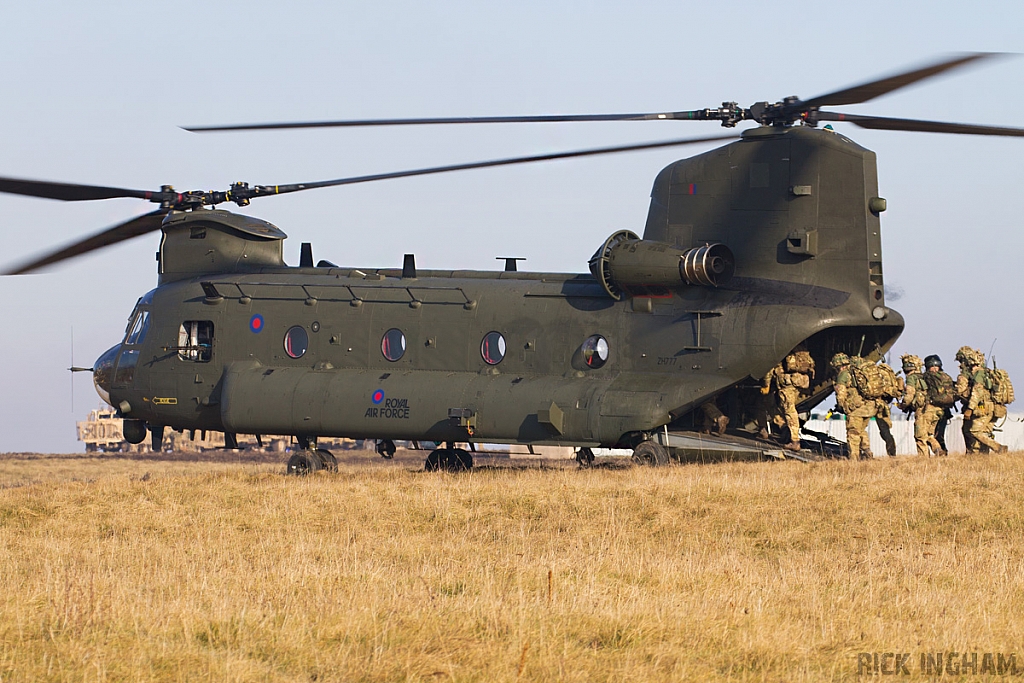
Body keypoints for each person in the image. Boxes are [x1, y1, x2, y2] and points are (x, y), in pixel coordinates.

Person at [761, 349, 815, 452]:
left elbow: (770, 369)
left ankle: (794, 441)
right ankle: (784, 427)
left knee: (789, 411)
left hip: (787, 384)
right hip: (799, 382)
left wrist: (766, 384)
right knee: (787, 408)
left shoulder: (780, 351)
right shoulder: (799, 350)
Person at [899, 354, 946, 456]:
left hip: (924, 411)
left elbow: (909, 395)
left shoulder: (912, 378)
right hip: (937, 410)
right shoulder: (926, 376)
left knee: (920, 437)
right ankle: (938, 450)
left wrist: (903, 405)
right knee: (929, 435)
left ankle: (923, 461)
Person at [832, 352, 876, 460]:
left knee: (853, 433)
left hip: (855, 409)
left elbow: (841, 393)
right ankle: (867, 452)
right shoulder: (858, 372)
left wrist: (841, 406)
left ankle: (854, 458)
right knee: (861, 431)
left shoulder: (843, 374)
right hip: (868, 407)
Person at [963, 349, 1008, 453]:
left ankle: (998, 447)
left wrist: (970, 408)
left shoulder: (979, 374)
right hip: (994, 407)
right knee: (985, 432)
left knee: (975, 431)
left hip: (984, 407)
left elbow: (977, 393)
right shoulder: (989, 373)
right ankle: (984, 456)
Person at [955, 346, 984, 453]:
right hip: (980, 406)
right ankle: (974, 453)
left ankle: (995, 448)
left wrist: (970, 408)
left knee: (973, 431)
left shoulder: (973, 375)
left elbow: (974, 392)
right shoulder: (984, 373)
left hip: (978, 407)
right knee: (971, 430)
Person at [923, 354, 954, 452]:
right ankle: (943, 452)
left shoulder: (926, 377)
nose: (934, 369)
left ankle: (941, 452)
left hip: (932, 410)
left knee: (928, 435)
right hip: (945, 411)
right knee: (939, 435)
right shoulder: (946, 377)